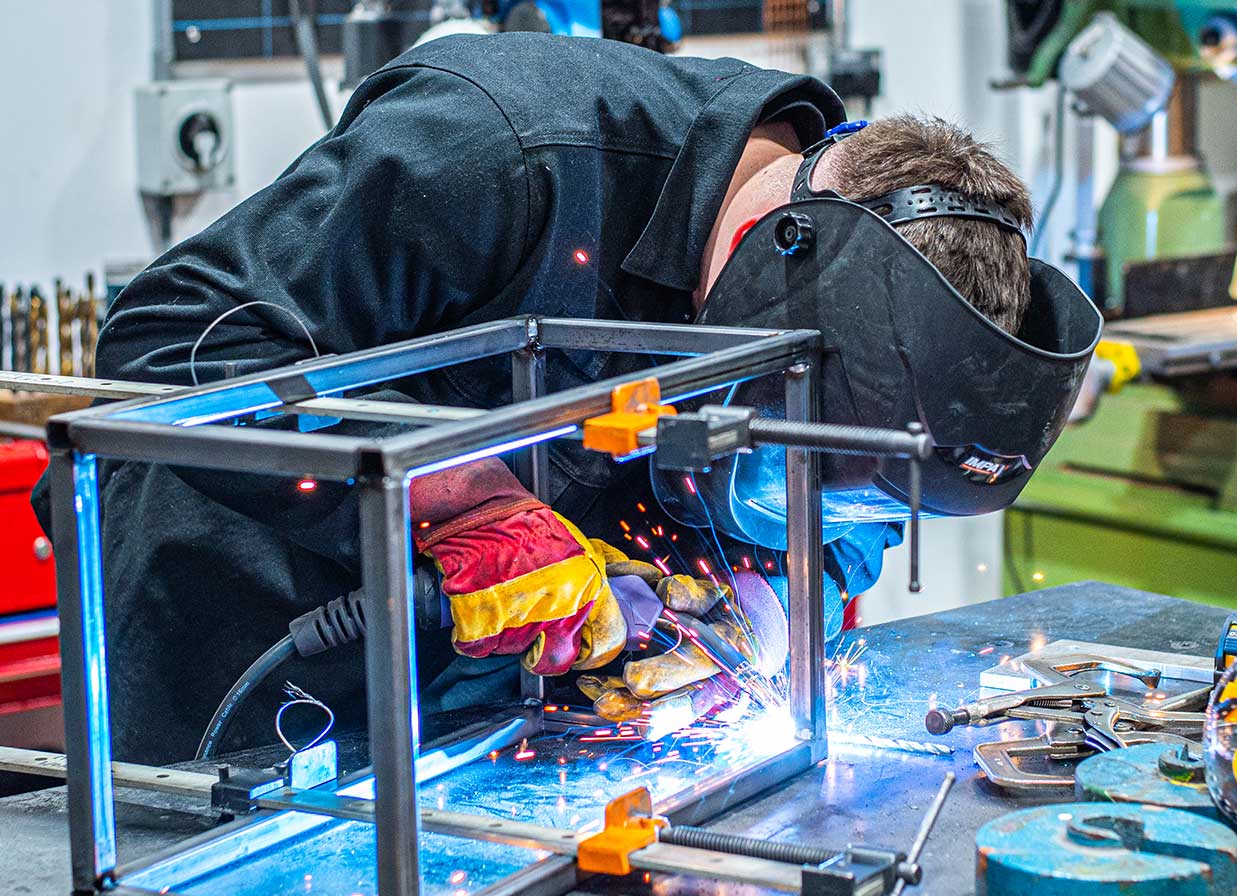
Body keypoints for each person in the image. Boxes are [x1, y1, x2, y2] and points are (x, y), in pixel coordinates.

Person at [42, 31, 1091, 765]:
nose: (813, 489)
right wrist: (457, 497)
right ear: (780, 263)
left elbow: (848, 501)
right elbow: (164, 340)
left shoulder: (832, 328)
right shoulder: (504, 150)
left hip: (471, 718)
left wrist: (767, 606)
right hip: (239, 657)